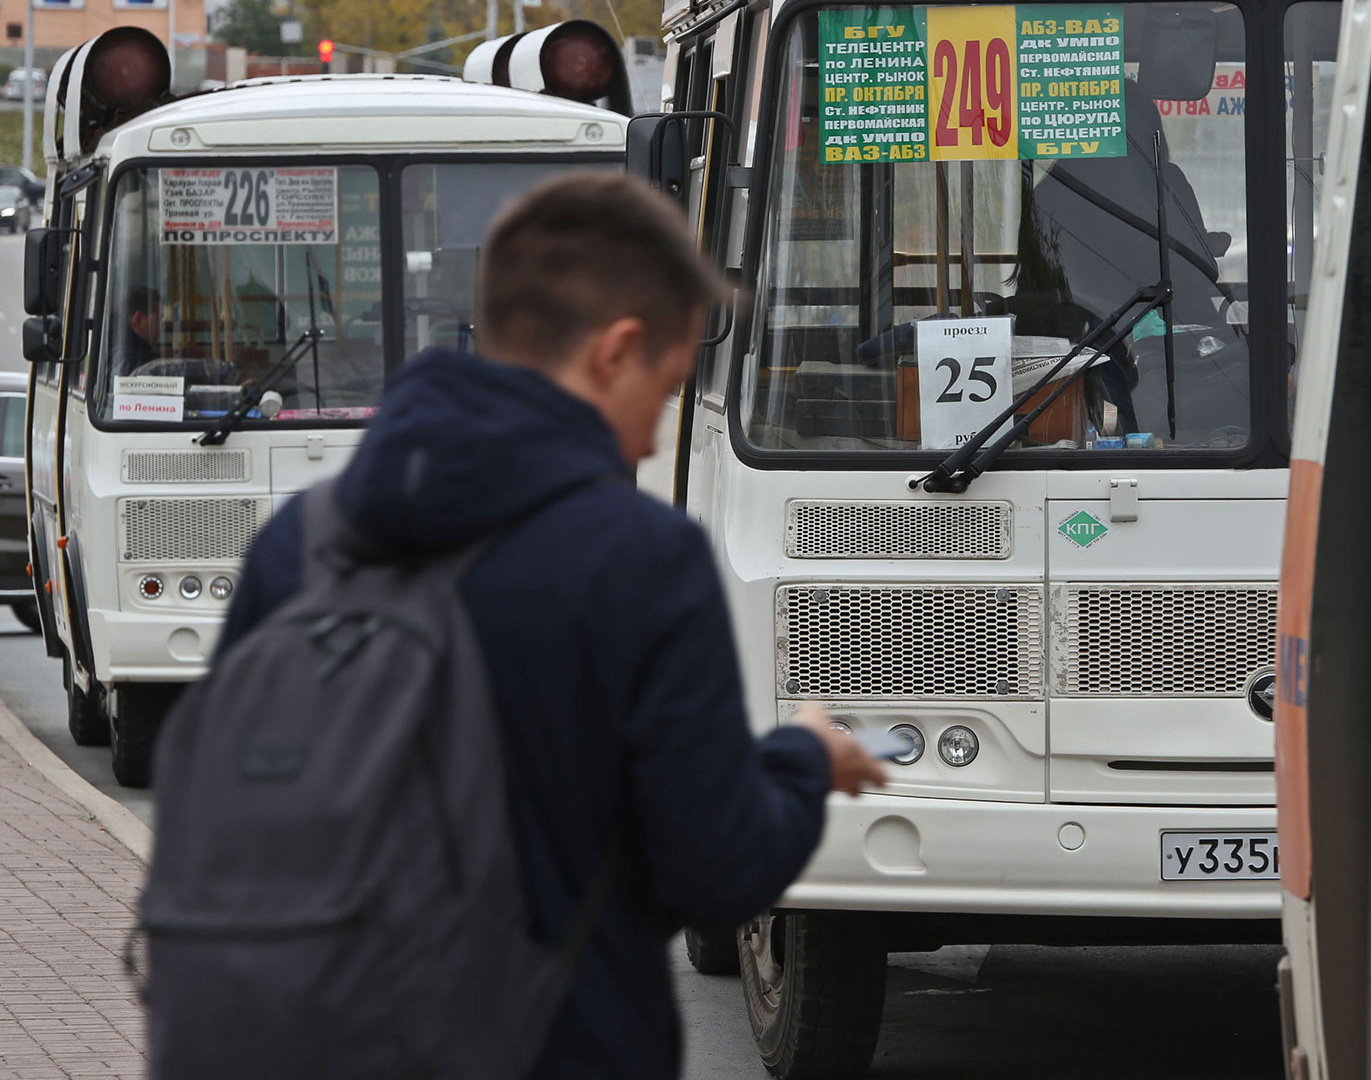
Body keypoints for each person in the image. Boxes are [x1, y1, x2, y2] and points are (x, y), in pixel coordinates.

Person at [213, 173, 889, 1078]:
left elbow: (230, 816)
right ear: (614, 352)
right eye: (667, 387)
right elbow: (716, 873)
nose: (654, 439)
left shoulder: (300, 543)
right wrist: (806, 759)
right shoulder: (640, 559)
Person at [115, 285, 162, 372]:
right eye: (158, 318)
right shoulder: (135, 363)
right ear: (139, 320)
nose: (161, 326)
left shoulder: (113, 348)